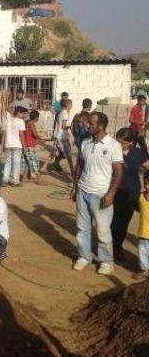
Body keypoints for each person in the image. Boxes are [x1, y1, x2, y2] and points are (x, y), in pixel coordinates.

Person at [71, 112, 123, 275]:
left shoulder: (113, 145)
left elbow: (118, 171)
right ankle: (83, 256)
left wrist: (111, 194)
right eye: (88, 123)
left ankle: (106, 261)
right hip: (83, 191)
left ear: (101, 126)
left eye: (91, 124)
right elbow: (80, 163)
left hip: (101, 194)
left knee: (102, 229)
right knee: (82, 227)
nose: (87, 126)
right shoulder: (85, 142)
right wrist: (75, 186)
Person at [111, 128, 149, 259]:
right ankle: (111, 247)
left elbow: (147, 167)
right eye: (117, 141)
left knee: (123, 222)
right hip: (113, 192)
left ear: (131, 142)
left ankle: (117, 248)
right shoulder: (111, 151)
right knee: (113, 221)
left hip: (131, 194)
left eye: (121, 142)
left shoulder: (138, 153)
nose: (118, 144)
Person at [2, 107, 28, 187]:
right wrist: (24, 146)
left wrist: (2, 144)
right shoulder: (20, 121)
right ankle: (15, 181)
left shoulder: (8, 120)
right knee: (16, 163)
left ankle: (5, 180)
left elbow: (4, 134)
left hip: (8, 144)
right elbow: (21, 135)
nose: (24, 116)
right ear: (19, 112)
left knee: (8, 162)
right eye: (23, 113)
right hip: (17, 144)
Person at [54, 98, 75, 179]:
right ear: (68, 105)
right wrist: (70, 127)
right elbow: (63, 126)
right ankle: (73, 172)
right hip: (62, 137)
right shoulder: (65, 113)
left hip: (59, 135)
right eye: (71, 104)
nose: (72, 106)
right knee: (68, 154)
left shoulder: (61, 112)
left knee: (56, 153)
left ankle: (47, 166)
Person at [134, 172, 149, 279]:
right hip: (143, 231)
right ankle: (144, 270)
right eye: (145, 183)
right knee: (142, 251)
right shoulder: (141, 197)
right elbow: (138, 208)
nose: (147, 186)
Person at [23, 110, 42, 184]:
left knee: (27, 163)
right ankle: (39, 179)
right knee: (35, 162)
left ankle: (24, 178)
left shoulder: (26, 123)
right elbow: (34, 133)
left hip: (26, 145)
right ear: (36, 118)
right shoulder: (31, 124)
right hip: (30, 146)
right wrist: (39, 138)